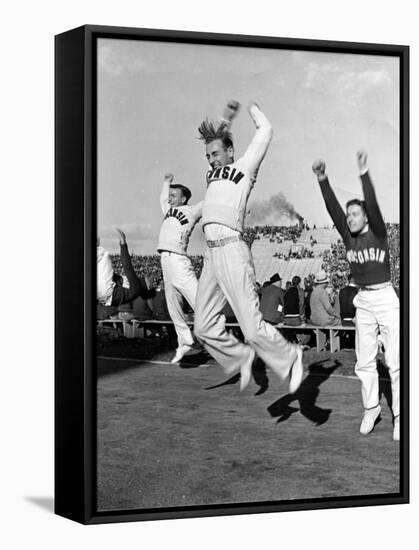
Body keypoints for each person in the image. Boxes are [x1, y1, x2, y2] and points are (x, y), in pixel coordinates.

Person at [194, 100, 303, 392]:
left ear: (231, 151)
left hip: (232, 250)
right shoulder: (211, 174)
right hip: (211, 257)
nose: (211, 160)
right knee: (202, 327)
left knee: (252, 328)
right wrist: (224, 120)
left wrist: (253, 109)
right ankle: (240, 358)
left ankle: (290, 356)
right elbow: (218, 139)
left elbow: (265, 131)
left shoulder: (244, 169)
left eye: (216, 154)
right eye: (208, 156)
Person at [312, 151, 400, 441]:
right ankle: (371, 408)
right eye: (348, 215)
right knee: (364, 361)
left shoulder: (377, 232)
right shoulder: (347, 236)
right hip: (364, 300)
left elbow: (372, 204)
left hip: (386, 297)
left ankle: (401, 416)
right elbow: (332, 208)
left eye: (354, 214)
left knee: (396, 362)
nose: (349, 218)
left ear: (365, 217)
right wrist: (322, 179)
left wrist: (364, 173)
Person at [158, 173, 203, 363]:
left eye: (174, 195)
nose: (170, 198)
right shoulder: (168, 209)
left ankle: (221, 335)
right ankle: (184, 341)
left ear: (183, 198)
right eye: (170, 195)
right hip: (165, 261)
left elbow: (210, 199)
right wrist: (166, 182)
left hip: (178, 261)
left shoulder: (191, 211)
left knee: (200, 303)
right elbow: (162, 197)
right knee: (173, 306)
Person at [97, 228, 154, 310]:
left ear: (147, 286)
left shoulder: (137, 287)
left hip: (108, 292)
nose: (150, 278)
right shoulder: (133, 290)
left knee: (103, 254)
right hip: (105, 296)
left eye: (150, 282)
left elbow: (127, 266)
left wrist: (123, 243)